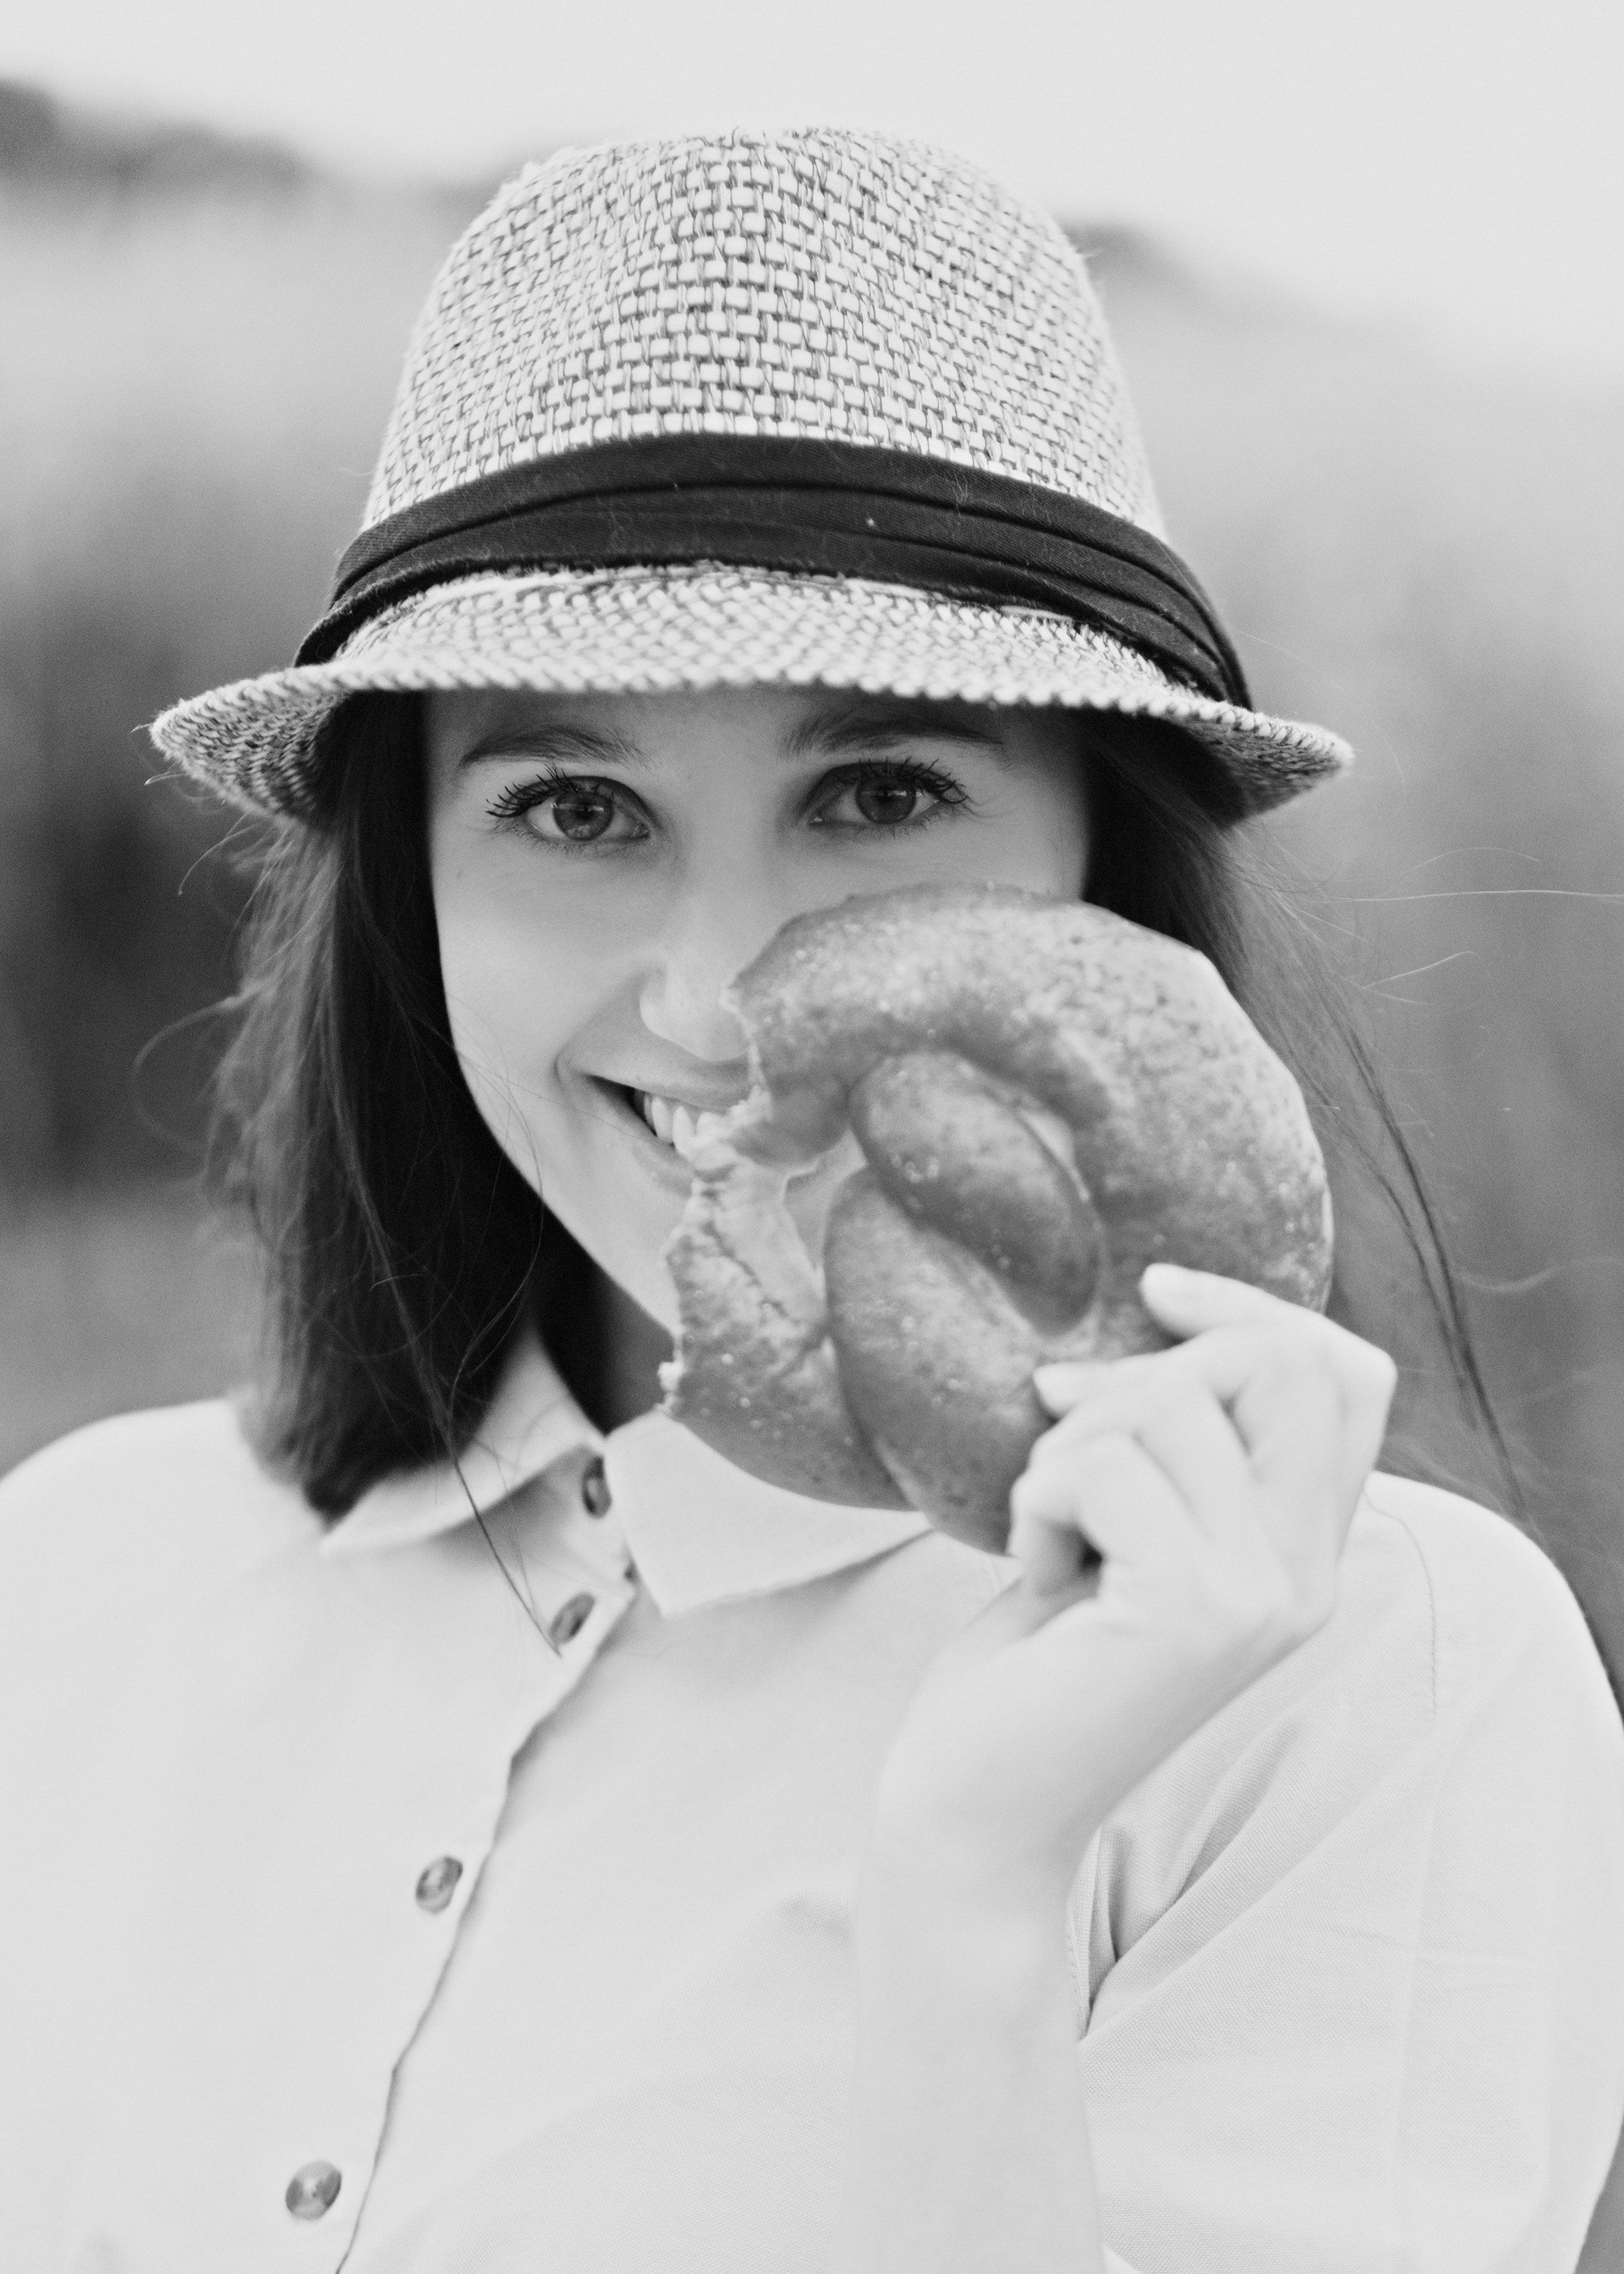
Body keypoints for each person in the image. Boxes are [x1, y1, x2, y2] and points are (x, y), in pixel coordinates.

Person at [1, 128, 1619, 2274]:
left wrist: (975, 1890)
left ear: (1101, 865)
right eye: (575, 807)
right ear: (413, 883)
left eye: (877, 792)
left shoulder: (1371, 1684)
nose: (710, 999)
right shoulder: (74, 1585)